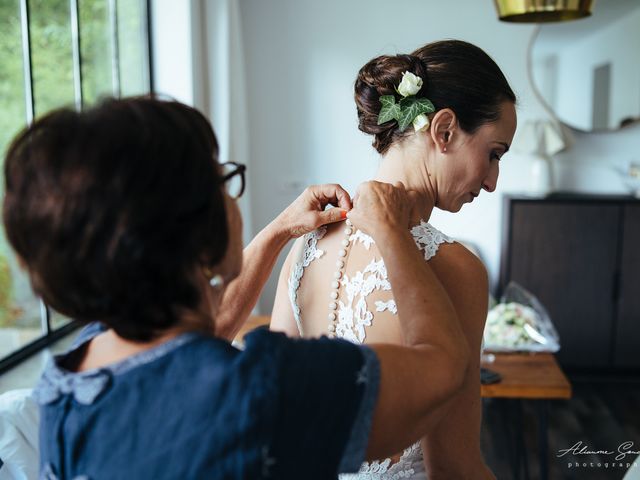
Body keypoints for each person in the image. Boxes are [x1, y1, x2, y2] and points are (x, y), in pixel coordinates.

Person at [2, 97, 470, 479]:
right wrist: (389, 229)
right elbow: (443, 368)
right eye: (221, 182)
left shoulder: (69, 379)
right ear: (194, 230)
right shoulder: (263, 391)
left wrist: (277, 232)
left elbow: (200, 335)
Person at [271, 40, 517, 479]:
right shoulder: (455, 268)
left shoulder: (305, 246)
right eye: (494, 153)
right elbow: (454, 467)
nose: (493, 180)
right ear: (443, 131)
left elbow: (275, 407)